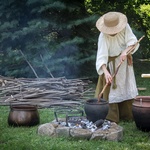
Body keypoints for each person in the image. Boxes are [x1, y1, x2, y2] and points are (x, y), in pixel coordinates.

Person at [95, 11, 140, 123]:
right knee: (113, 91)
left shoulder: (125, 27)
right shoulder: (103, 36)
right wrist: (106, 72)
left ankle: (127, 114)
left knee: (124, 86)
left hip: (123, 63)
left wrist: (125, 52)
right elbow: (101, 57)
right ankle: (112, 117)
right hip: (110, 65)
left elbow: (133, 42)